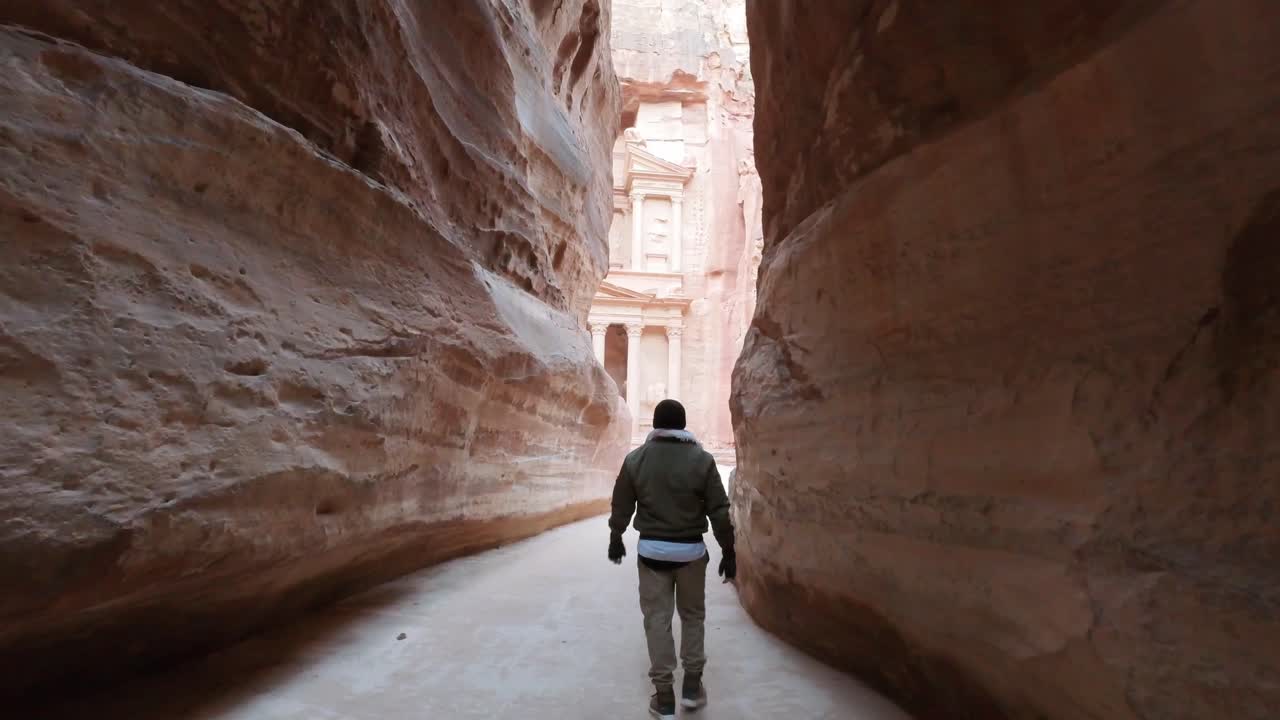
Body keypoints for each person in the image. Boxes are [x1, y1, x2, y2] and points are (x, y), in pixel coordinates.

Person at [608, 399, 736, 719]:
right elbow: (719, 510)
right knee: (692, 616)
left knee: (657, 619)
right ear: (683, 426)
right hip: (691, 552)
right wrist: (729, 549)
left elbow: (622, 504)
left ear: (654, 425)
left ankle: (664, 697)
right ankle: (692, 687)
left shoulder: (636, 459)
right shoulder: (703, 460)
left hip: (652, 552)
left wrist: (615, 537)